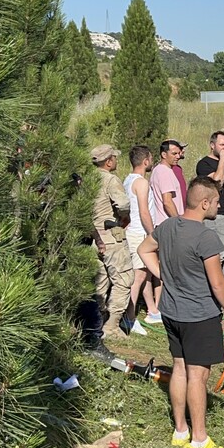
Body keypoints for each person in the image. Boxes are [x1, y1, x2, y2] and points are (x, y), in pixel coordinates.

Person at [138, 177, 224, 448]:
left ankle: (180, 430)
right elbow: (218, 283)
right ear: (204, 202)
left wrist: (164, 275)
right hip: (199, 315)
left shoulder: (167, 226)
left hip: (171, 312)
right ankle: (199, 440)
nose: (219, 206)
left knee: (180, 369)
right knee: (198, 376)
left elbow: (143, 250)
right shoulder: (205, 236)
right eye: (217, 201)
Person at [91, 144, 134, 338]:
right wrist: (123, 216)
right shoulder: (110, 180)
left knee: (100, 280)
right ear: (108, 161)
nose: (116, 161)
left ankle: (97, 319)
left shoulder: (89, 179)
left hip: (94, 236)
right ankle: (112, 325)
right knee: (123, 279)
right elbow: (123, 204)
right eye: (114, 158)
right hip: (111, 235)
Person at [121, 145, 159, 333]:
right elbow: (144, 211)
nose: (152, 162)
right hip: (139, 232)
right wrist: (153, 233)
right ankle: (129, 317)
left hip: (133, 231)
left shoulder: (128, 180)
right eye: (151, 159)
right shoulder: (142, 183)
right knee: (139, 276)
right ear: (145, 161)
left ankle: (152, 309)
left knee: (145, 273)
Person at [194, 130, 224, 274]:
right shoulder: (204, 164)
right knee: (217, 255)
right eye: (222, 145)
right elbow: (217, 182)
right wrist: (222, 160)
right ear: (212, 145)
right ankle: (212, 286)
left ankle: (222, 283)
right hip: (215, 215)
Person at [150, 140, 185, 225]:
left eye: (178, 153)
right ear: (164, 155)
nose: (178, 156)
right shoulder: (164, 172)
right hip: (168, 222)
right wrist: (178, 222)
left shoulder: (158, 169)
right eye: (174, 154)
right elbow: (167, 201)